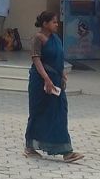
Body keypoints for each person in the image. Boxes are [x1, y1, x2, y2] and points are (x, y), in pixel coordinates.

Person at [25, 10, 83, 162]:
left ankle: (65, 150)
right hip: (41, 81)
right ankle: (30, 146)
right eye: (54, 22)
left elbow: (59, 58)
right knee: (38, 112)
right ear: (45, 24)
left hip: (56, 80)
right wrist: (46, 79)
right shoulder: (38, 38)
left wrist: (62, 74)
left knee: (59, 112)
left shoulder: (56, 38)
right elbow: (36, 59)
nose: (57, 24)